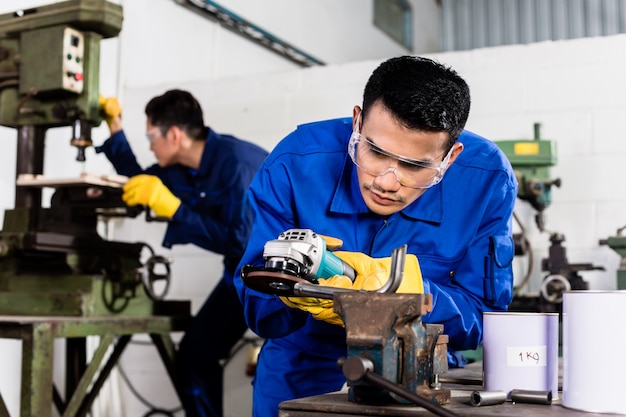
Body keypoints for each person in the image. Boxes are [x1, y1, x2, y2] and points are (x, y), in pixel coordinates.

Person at [233, 56, 518, 416]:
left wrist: (413, 296)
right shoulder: (295, 163)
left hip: (421, 372)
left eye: (415, 166)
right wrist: (296, 293)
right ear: (357, 123)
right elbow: (259, 308)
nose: (386, 182)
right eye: (376, 152)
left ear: (450, 158)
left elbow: (485, 319)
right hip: (301, 364)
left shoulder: (487, 179)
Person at [97, 89, 268, 417]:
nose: (149, 145)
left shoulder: (237, 164)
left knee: (276, 365)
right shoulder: (179, 168)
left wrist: (174, 208)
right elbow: (139, 182)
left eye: (150, 136)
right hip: (237, 273)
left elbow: (240, 243)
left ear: (173, 135)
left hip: (270, 277)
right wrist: (114, 128)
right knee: (194, 355)